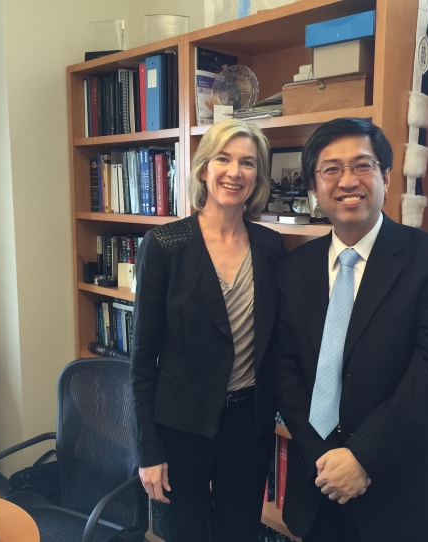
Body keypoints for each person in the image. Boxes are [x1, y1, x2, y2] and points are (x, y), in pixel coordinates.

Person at [273, 118, 428, 542]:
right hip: (321, 487)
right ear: (314, 187)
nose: (348, 180)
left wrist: (362, 458)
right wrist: (327, 458)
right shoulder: (295, 268)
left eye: (362, 166)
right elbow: (284, 370)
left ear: (385, 177)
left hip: (406, 494)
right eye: (331, 169)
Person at [130, 119, 285, 541]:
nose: (235, 172)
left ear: (258, 176)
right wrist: (148, 449)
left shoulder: (270, 247)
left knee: (240, 533)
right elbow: (142, 359)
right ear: (203, 169)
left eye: (248, 163)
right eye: (224, 159)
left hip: (248, 424)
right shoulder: (165, 246)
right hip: (181, 426)